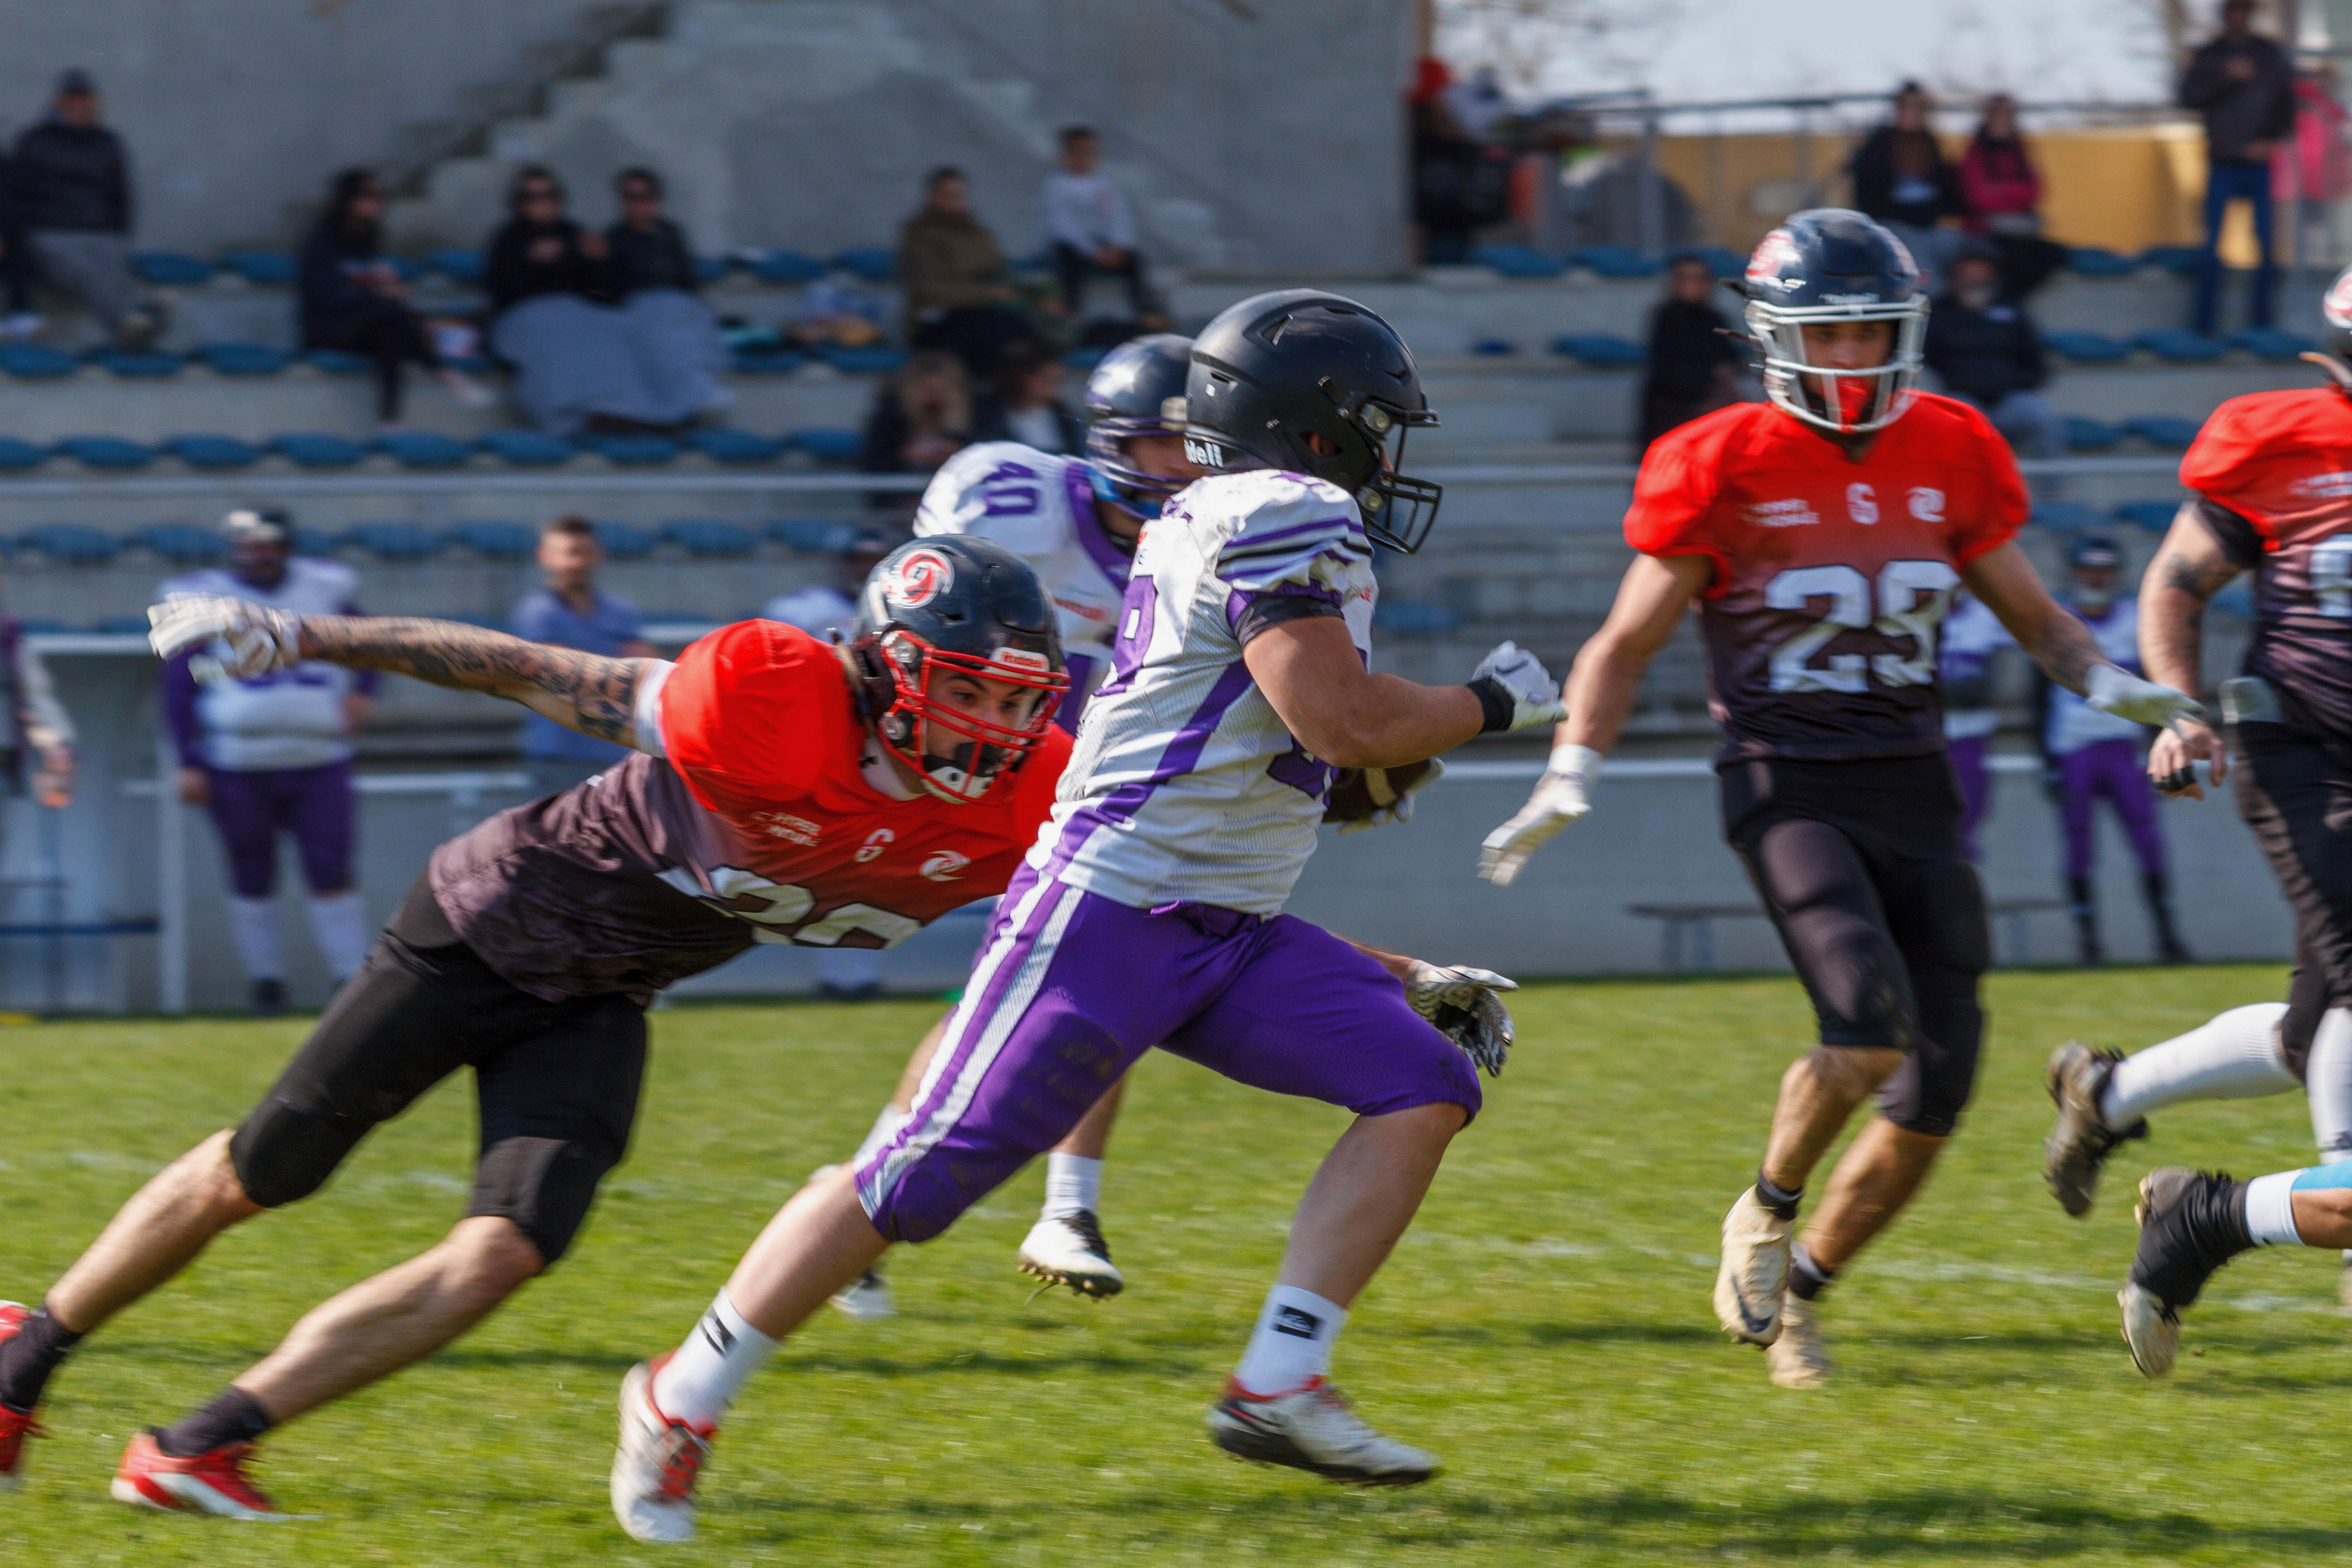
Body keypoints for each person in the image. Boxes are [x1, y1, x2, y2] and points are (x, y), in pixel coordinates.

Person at [606, 289, 1565, 1543]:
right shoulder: (1286, 510)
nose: (1387, 453)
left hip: (1223, 919)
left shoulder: (1217, 512)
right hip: (1114, 909)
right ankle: (680, 1395)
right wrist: (1492, 702)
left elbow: (1290, 731)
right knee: (915, 1178)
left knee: (1421, 1078)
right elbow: (1342, 723)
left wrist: (1395, 965)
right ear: (1313, 423)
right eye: (1376, 424)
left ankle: (1280, 1382)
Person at [0, 535, 1076, 1513]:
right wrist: (309, 637)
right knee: (265, 1169)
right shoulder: (768, 696)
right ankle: (21, 1363)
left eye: (1018, 700)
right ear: (885, 669)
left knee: (505, 1250)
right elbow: (522, 668)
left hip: (609, 986)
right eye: (967, 690)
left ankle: (196, 1449)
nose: (994, 727)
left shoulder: (1037, 798)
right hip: (488, 923)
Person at [1476, 210, 2200, 1390]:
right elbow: (1623, 642)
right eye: (1833, 334)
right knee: (1864, 1023)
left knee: (1939, 1082)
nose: (1856, 356)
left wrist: (2128, 692)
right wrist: (1572, 769)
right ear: (1776, 337)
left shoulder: (1953, 443)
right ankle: (1764, 1209)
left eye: (1874, 332)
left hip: (1913, 777)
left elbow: (2039, 623)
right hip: (1787, 776)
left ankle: (1802, 1297)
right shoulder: (1719, 458)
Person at [821, 334, 1207, 1314]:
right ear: (1114, 442)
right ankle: (878, 1203)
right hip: (973, 767)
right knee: (1078, 978)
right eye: (1166, 443)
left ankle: (1037, 1209)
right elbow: (918, 622)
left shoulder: (1213, 539)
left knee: (1108, 967)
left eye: (1199, 444)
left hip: (1084, 783)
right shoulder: (1009, 498)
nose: (1186, 465)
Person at [2041, 265, 2352, 1356]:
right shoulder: (2284, 446)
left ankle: (2112, 1094)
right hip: (2306, 748)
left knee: (2315, 1028)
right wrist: (2178, 711)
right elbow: (2176, 583)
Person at [159, 508, 376, 1017]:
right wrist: (188, 759)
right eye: (249, 545)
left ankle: (350, 979)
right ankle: (266, 982)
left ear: (287, 546)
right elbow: (177, 681)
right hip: (235, 759)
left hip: (319, 754)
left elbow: (373, 639)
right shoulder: (202, 596)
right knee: (250, 869)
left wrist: (364, 690)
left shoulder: (325, 588)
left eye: (268, 544)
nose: (259, 555)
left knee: (331, 866)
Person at [2034, 535, 2192, 965]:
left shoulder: (2135, 621)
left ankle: (2167, 939)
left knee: (2148, 842)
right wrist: (2046, 761)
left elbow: (2159, 687)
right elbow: (2038, 697)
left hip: (2125, 747)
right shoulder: (2059, 622)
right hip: (2073, 748)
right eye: (2089, 570)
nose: (2096, 579)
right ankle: (2088, 945)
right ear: (2074, 573)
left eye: (2104, 571)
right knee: (2079, 847)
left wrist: (2161, 744)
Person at [486, 167, 724, 436]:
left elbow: (603, 294)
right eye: (532, 197)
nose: (543, 202)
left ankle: (631, 410)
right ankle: (579, 412)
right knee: (559, 335)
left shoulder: (575, 234)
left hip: (578, 312)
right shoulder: (508, 238)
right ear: (519, 202)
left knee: (612, 330)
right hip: (528, 316)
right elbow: (501, 292)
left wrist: (599, 262)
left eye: (550, 195)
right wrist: (530, 263)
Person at [760, 529, 895, 1002]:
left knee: (876, 864)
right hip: (822, 748)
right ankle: (836, 974)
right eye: (858, 557)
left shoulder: (905, 610)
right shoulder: (805, 609)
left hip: (884, 750)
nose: (864, 567)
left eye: (874, 558)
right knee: (825, 863)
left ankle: (862, 974)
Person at [300, 168, 490, 426]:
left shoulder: (368, 237)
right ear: (348, 198)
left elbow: (368, 286)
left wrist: (384, 286)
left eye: (379, 195)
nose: (375, 202)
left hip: (365, 323)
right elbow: (325, 297)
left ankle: (389, 420)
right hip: (326, 326)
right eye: (367, 195)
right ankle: (445, 373)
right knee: (390, 312)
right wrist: (375, 290)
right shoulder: (322, 241)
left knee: (391, 335)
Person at [510, 515, 658, 799]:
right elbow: (563, 676)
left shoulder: (621, 611)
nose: (576, 563)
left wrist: (598, 671)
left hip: (619, 756)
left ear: (599, 555)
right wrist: (620, 670)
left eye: (585, 553)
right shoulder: (536, 613)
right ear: (544, 557)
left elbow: (645, 673)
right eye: (568, 553)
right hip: (561, 760)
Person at [12, 69, 156, 349]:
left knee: (114, 266)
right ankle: (135, 320)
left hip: (100, 231)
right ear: (58, 101)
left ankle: (136, 326)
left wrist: (117, 232)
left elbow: (121, 196)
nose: (79, 104)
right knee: (86, 271)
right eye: (72, 97)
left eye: (84, 97)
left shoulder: (108, 142)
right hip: (51, 231)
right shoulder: (35, 141)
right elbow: (16, 193)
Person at [2180, 0, 2294, 335]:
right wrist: (2225, 78)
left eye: (2244, 11)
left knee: (2266, 247)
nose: (2238, 17)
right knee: (2211, 248)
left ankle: (2261, 327)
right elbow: (2188, 97)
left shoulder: (2268, 54)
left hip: (2259, 166)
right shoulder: (2210, 55)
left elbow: (2286, 105)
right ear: (2226, 15)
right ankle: (2205, 328)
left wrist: (2269, 141)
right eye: (2233, 11)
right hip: (2222, 164)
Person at [600, 167, 731, 423]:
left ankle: (699, 393)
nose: (638, 205)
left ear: (657, 200)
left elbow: (688, 283)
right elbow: (611, 294)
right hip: (640, 313)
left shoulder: (671, 234)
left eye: (645, 197)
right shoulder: (612, 239)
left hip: (677, 308)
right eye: (631, 197)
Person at [1923, 243, 2066, 462]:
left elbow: (2037, 365)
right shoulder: (1937, 312)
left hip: (2008, 400)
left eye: (1982, 274)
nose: (1974, 280)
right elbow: (1925, 361)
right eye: (1967, 274)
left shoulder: (2013, 311)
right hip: (1959, 397)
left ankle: (2052, 483)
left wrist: (2005, 383)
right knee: (1954, 417)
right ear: (1954, 276)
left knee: (2042, 415)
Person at [898, 166, 1029, 379]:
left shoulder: (978, 233)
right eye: (950, 195)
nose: (957, 201)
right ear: (933, 197)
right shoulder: (920, 235)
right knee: (982, 333)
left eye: (960, 195)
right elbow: (928, 290)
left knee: (1019, 331)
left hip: (984, 313)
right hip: (939, 318)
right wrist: (986, 293)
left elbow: (1000, 271)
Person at [1849, 82, 1959, 291]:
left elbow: (1946, 194)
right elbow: (1868, 198)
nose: (1914, 113)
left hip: (1928, 225)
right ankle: (1930, 299)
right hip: (1891, 225)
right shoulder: (1877, 146)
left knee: (1960, 245)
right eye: (1908, 107)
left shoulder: (1930, 145)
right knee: (1915, 252)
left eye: (1919, 108)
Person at [1956, 95, 2067, 301]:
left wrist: (2000, 190)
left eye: (2007, 114)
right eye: (1997, 113)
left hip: (2020, 229)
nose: (2002, 119)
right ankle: (2004, 304)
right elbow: (1978, 197)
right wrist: (2014, 195)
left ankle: (2010, 304)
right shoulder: (1975, 152)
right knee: (2015, 260)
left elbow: (2035, 192)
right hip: (1983, 231)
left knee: (2054, 254)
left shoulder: (2019, 151)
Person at [1637, 252, 1743, 454]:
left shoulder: (1716, 319)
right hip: (1673, 407)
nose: (1693, 285)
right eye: (1686, 278)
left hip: (1711, 405)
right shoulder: (1666, 318)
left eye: (1699, 278)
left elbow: (1728, 363)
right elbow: (1667, 369)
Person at [1042, 126, 1149, 321]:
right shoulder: (1056, 187)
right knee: (1066, 258)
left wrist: (1118, 246)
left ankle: (1145, 312)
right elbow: (1063, 227)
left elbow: (1120, 219)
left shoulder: (1106, 185)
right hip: (1077, 248)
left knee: (1135, 261)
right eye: (1078, 151)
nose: (1084, 157)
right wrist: (1093, 251)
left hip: (1106, 246)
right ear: (1066, 154)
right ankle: (1071, 311)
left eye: (1090, 152)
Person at [1939, 590, 2013, 862]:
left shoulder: (1984, 617)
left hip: (1971, 729)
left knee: (1971, 810)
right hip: (1924, 731)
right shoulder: (1913, 612)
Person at [858, 348, 971, 507]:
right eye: (926, 389)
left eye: (938, 390)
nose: (932, 395)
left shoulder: (974, 423)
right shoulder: (888, 423)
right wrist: (902, 456)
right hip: (898, 506)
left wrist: (960, 457)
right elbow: (873, 466)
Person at [971, 335, 1084, 453]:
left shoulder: (1066, 417)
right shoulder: (984, 415)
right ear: (1020, 376)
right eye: (1046, 379)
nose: (1053, 388)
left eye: (1056, 381)